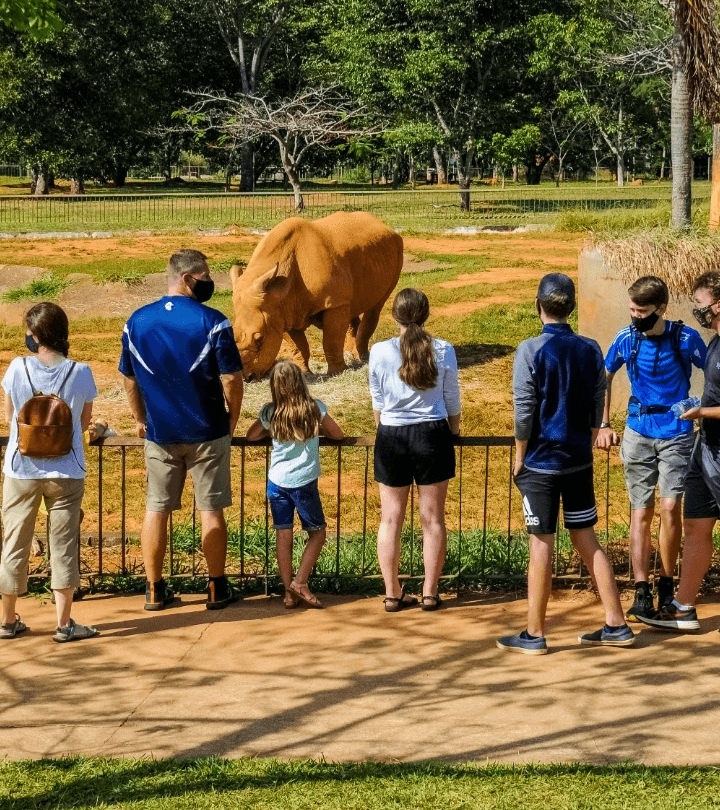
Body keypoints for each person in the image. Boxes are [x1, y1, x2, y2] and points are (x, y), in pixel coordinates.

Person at [497, 273, 634, 654]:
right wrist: (593, 431)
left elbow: (525, 411)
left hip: (540, 463)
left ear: (538, 305)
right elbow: (597, 396)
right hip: (578, 461)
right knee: (588, 540)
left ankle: (535, 634)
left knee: (541, 545)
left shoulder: (530, 349)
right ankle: (616, 624)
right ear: (570, 307)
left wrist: (520, 455)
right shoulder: (590, 348)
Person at [119, 249, 245, 611]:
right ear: (188, 278)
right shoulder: (214, 321)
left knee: (156, 509)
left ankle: (155, 589)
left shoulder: (136, 322)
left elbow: (128, 378)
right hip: (207, 431)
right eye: (205, 275)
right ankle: (216, 587)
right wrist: (231, 418)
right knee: (211, 510)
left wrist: (139, 418)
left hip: (160, 433)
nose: (209, 281)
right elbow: (232, 378)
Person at [595, 276, 706, 621]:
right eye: (631, 309)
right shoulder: (626, 339)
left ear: (661, 308)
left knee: (671, 508)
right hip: (637, 431)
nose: (634, 316)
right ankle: (641, 590)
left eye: (641, 311)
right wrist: (603, 424)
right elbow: (604, 376)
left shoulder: (685, 338)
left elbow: (714, 372)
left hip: (676, 432)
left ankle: (667, 584)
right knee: (640, 512)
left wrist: (702, 405)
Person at [0, 303, 99, 642]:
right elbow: (83, 424)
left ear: (36, 334)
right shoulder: (81, 371)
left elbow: (10, 415)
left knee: (14, 542)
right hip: (66, 470)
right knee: (63, 545)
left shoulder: (17, 367)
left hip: (21, 468)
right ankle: (64, 623)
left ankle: (8, 620)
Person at [369, 288, 461, 612]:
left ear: (394, 316)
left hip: (391, 435)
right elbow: (452, 399)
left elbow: (377, 402)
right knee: (433, 519)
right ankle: (430, 592)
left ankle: (392, 592)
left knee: (390, 519)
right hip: (432, 434)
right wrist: (454, 431)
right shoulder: (443, 349)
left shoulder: (379, 351)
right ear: (426, 314)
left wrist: (384, 427)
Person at [638, 272, 720, 632]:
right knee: (695, 525)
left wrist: (700, 412)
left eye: (702, 305)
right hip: (707, 450)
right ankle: (684, 607)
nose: (698, 311)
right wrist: (698, 404)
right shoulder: (716, 342)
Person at [246, 360, 344, 608]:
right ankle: (300, 582)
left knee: (283, 535)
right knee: (318, 533)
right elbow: (338, 434)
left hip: (276, 481)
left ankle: (288, 593)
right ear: (301, 383)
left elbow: (251, 435)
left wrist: (272, 430)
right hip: (304, 481)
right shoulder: (314, 409)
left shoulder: (270, 412)